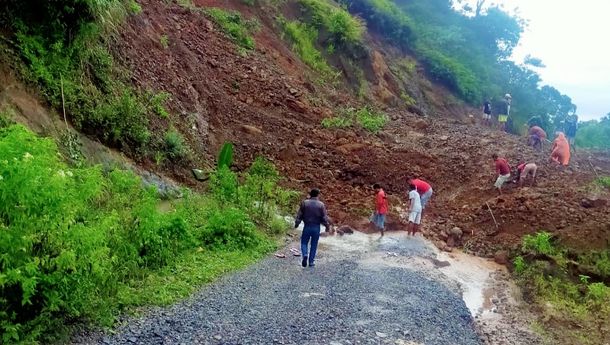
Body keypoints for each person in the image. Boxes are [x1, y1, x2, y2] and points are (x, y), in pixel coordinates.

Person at [294, 188, 331, 268]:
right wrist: (327, 227)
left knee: (304, 242)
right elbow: (324, 218)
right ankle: (311, 262)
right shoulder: (321, 205)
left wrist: (297, 223)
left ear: (310, 194)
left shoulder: (304, 203)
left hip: (307, 226)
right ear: (318, 195)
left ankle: (305, 255)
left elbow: (299, 215)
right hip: (316, 227)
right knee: (314, 244)